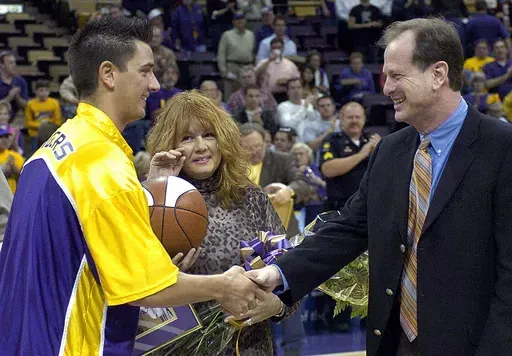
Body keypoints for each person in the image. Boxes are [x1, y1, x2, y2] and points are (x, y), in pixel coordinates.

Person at [245, 18, 512, 355]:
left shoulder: (502, 148)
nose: (386, 88)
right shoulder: (390, 150)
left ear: (438, 74)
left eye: (397, 76)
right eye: (386, 76)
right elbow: (348, 229)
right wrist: (278, 273)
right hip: (393, 345)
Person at [0, 17, 264, 355]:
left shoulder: (48, 153)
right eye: (145, 70)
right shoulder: (101, 163)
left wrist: (144, 192)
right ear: (108, 74)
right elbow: (144, 287)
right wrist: (225, 286)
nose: (154, 84)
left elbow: (71, 252)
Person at [146, 91, 294, 355]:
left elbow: (290, 272)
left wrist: (278, 306)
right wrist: (157, 187)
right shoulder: (149, 200)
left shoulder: (252, 198)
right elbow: (131, 287)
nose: (201, 146)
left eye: (209, 135)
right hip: (181, 348)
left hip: (250, 347)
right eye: (188, 138)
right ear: (170, 143)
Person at [24, 79, 62, 155]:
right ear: (35, 91)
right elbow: (28, 123)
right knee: (34, 155)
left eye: (46, 90)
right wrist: (41, 126)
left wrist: (47, 127)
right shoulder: (30, 104)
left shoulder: (54, 103)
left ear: (49, 91)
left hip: (51, 135)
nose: (43, 93)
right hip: (35, 135)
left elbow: (58, 121)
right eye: (41, 90)